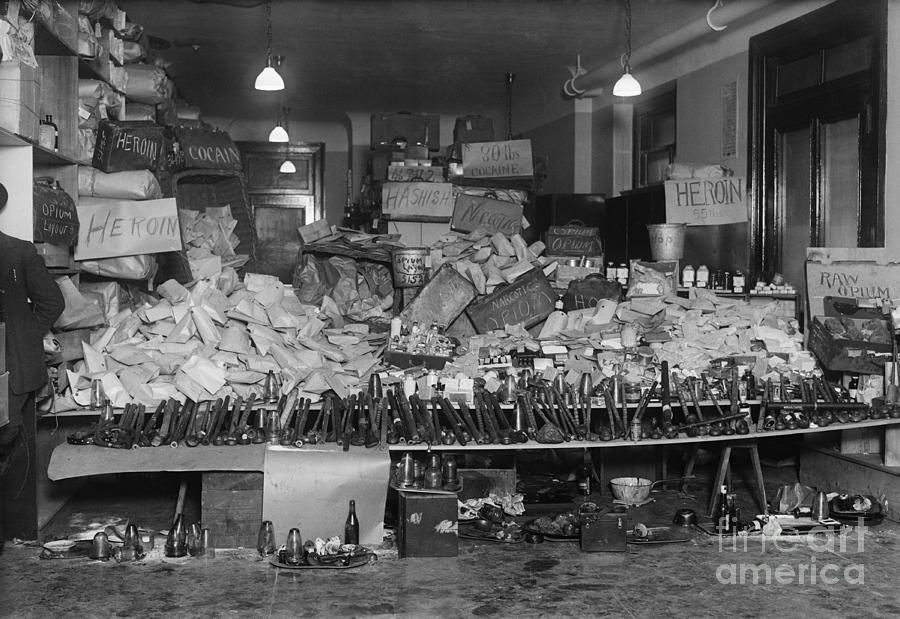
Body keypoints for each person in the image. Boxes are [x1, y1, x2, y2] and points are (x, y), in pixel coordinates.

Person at [0, 181, 65, 547]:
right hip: (16, 366)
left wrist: (21, 336)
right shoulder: (17, 250)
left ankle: (15, 531)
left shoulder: (18, 251)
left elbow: (52, 304)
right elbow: (52, 305)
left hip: (13, 371)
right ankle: (15, 532)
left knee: (10, 446)